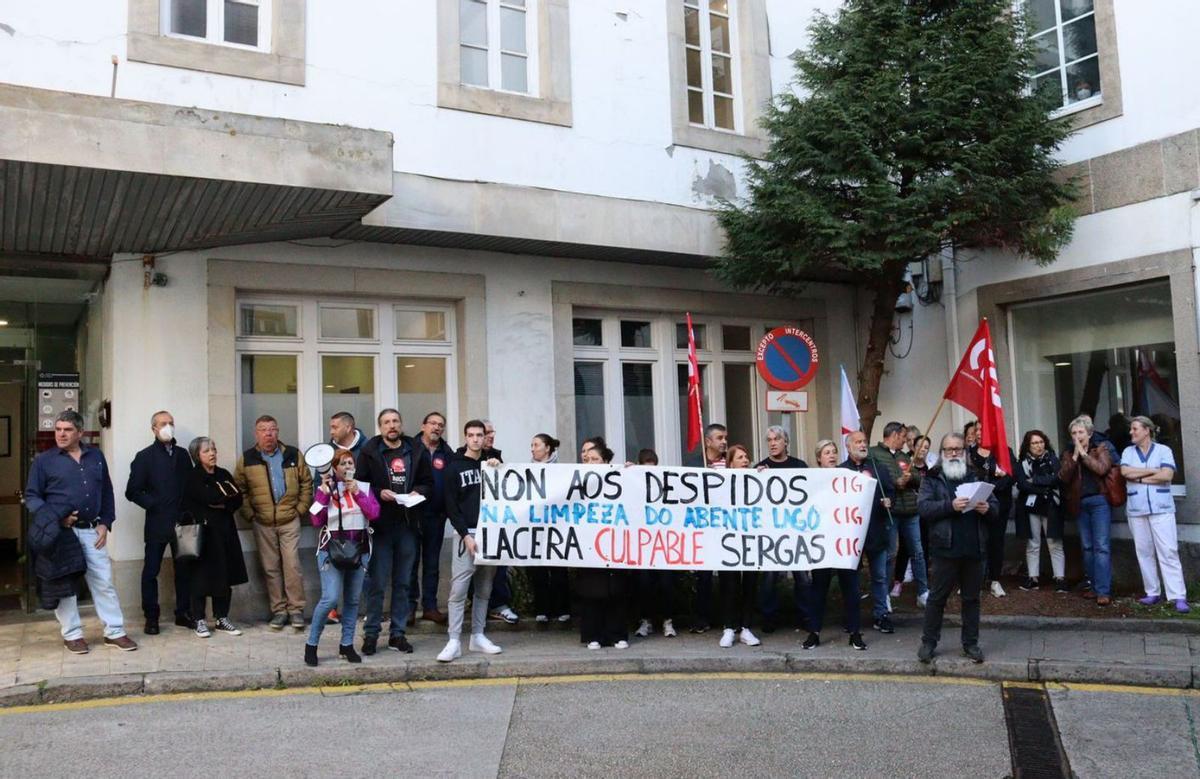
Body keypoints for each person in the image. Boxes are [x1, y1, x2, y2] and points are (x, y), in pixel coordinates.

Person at [24, 411, 138, 653]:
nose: (61, 434)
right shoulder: (44, 461)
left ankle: (115, 631)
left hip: (91, 530)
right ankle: (72, 635)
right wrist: (55, 518)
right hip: (61, 534)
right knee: (64, 585)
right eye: (58, 429)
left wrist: (105, 523)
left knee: (103, 582)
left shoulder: (95, 456)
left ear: (80, 433)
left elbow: (106, 491)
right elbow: (32, 497)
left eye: (67, 430)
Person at [356, 408, 433, 655]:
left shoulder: (415, 449)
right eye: (387, 422)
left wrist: (419, 491)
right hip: (380, 526)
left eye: (395, 421)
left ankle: (397, 634)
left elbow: (428, 482)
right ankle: (371, 634)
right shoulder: (369, 451)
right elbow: (359, 485)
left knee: (403, 582)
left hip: (408, 525)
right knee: (377, 583)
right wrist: (379, 492)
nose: (392, 425)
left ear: (401, 424)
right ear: (380, 427)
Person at [917, 433, 999, 664]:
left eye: (958, 449)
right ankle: (928, 643)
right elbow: (923, 508)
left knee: (972, 600)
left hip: (974, 548)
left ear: (964, 452)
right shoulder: (932, 477)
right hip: (945, 548)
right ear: (942, 452)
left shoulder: (976, 475)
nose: (953, 453)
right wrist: (949, 506)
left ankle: (970, 644)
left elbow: (995, 508)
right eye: (949, 449)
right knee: (937, 598)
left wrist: (987, 509)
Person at [234, 415, 314, 630]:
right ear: (256, 433)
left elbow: (306, 483)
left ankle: (296, 610)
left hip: (289, 519)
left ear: (278, 432)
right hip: (263, 521)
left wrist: (300, 509)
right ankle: (279, 611)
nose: (268, 433)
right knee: (270, 568)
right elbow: (239, 489)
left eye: (272, 429)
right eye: (263, 430)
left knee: (292, 565)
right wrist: (250, 514)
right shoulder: (248, 458)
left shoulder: (292, 454)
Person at [304, 449, 380, 666]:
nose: (347, 467)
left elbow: (374, 513)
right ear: (335, 469)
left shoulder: (363, 487)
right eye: (343, 464)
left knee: (353, 600)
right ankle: (311, 644)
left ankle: (347, 644)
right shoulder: (327, 489)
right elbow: (315, 519)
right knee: (330, 598)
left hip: (359, 550)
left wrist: (358, 494)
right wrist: (323, 493)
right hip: (331, 550)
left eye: (350, 463)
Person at [437, 420, 504, 662]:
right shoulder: (454, 467)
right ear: (465, 437)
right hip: (467, 534)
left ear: (486, 437)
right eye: (471, 435)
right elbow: (451, 506)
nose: (475, 439)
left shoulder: (493, 463)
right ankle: (454, 640)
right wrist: (465, 534)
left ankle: (478, 635)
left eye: (479, 435)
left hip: (491, 533)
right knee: (459, 589)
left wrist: (498, 467)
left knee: (484, 588)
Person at [126, 410, 195, 634]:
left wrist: (189, 512)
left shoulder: (183, 455)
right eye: (163, 423)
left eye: (171, 423)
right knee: (151, 571)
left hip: (183, 522)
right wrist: (154, 504)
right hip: (157, 523)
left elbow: (190, 485)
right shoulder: (144, 457)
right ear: (154, 429)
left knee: (184, 570)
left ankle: (183, 612)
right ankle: (151, 617)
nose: (168, 427)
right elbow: (132, 491)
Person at [1120, 416, 1189, 613]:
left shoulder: (1163, 450)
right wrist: (1152, 471)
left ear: (1146, 430)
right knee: (1144, 551)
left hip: (1162, 508)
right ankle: (1152, 592)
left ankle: (1178, 596)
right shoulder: (1128, 452)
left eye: (1135, 429)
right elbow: (1125, 472)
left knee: (1168, 551)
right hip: (1137, 509)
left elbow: (1167, 475)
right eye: (1131, 429)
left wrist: (1140, 478)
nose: (1131, 432)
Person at [803, 439, 866, 651]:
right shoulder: (811, 480)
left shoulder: (847, 477)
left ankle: (855, 633)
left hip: (844, 542)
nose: (831, 455)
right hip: (821, 544)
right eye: (826, 452)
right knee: (818, 590)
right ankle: (814, 632)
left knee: (851, 589)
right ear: (818, 458)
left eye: (833, 452)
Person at [183, 437, 247, 638]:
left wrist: (222, 502)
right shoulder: (192, 477)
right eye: (206, 451)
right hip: (203, 534)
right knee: (200, 577)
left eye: (214, 449)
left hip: (225, 532)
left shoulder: (223, 474)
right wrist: (222, 499)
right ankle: (199, 619)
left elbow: (237, 499)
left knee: (224, 576)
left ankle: (222, 618)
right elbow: (209, 497)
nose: (212, 453)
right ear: (197, 455)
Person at [574, 443, 631, 649]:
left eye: (595, 459)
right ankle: (593, 635)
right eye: (587, 460)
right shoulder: (576, 481)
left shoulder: (620, 479)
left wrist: (634, 473)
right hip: (589, 544)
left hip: (614, 542)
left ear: (606, 461)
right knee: (591, 588)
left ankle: (617, 634)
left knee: (616, 588)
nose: (590, 463)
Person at [1058, 414, 1118, 606]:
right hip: (1080, 503)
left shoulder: (1101, 447)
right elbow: (1064, 477)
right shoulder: (1068, 453)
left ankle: (1103, 590)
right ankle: (1093, 586)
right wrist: (1075, 456)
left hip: (1099, 501)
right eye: (1074, 433)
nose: (1077, 436)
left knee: (1101, 546)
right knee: (1087, 547)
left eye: (1081, 432)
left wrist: (1084, 455)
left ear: (1089, 433)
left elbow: (1102, 469)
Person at [755, 425, 810, 633]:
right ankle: (768, 617)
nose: (772, 443)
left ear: (786, 442)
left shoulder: (799, 466)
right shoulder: (760, 468)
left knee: (802, 576)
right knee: (770, 577)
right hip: (772, 532)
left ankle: (806, 616)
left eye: (776, 439)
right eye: (769, 440)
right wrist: (758, 476)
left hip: (796, 531)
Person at [841, 431, 896, 634]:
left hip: (875, 529)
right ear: (848, 447)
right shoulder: (841, 471)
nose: (863, 445)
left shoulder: (878, 469)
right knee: (851, 578)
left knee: (879, 576)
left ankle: (881, 615)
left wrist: (889, 501)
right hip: (850, 534)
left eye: (864, 441)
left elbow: (890, 492)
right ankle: (851, 617)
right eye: (858, 442)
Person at [871, 421, 929, 609]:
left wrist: (911, 477)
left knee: (918, 552)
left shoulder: (904, 456)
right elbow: (874, 479)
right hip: (890, 512)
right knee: (889, 554)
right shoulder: (874, 454)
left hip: (911, 512)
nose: (905, 441)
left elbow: (918, 478)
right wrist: (895, 483)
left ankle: (923, 592)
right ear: (895, 435)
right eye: (903, 437)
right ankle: (884, 595)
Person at [718, 445, 762, 648]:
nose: (745, 460)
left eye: (746, 457)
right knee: (730, 584)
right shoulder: (720, 483)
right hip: (728, 540)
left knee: (750, 584)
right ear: (730, 463)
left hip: (751, 539)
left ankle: (745, 628)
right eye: (740, 457)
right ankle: (729, 628)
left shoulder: (757, 480)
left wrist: (765, 476)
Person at [475, 420, 518, 624]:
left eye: (493, 432)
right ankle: (478, 606)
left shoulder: (497, 457)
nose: (491, 435)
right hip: (473, 521)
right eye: (487, 432)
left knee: (498, 564)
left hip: (495, 520)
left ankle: (499, 605)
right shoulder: (461, 457)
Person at [1014, 430, 1066, 593]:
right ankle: (1033, 578)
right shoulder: (1022, 463)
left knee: (1054, 542)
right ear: (1028, 446)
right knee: (1033, 543)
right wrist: (1043, 489)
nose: (1039, 446)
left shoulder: (1052, 459)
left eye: (1041, 442)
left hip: (1051, 505)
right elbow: (1022, 484)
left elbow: (1057, 478)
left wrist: (1035, 480)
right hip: (1031, 506)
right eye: (1034, 443)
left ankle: (1060, 578)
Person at [633, 448, 677, 639]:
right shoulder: (634, 486)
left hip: (663, 545)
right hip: (643, 546)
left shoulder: (665, 486)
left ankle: (668, 621)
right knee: (644, 583)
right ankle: (646, 621)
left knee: (667, 583)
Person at [528, 433, 572, 625]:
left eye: (536, 445)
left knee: (558, 569)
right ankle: (542, 609)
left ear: (547, 448)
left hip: (557, 526)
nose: (532, 449)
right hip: (535, 526)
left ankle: (562, 608)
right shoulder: (526, 471)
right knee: (538, 570)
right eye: (531, 445)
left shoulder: (561, 471)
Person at [689, 423, 728, 634]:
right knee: (702, 576)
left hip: (726, 527)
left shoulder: (730, 463)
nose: (724, 442)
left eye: (725, 438)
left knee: (727, 575)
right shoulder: (695, 465)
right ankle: (701, 618)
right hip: (703, 528)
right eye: (719, 438)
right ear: (707, 441)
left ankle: (728, 619)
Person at [969, 440, 1017, 598]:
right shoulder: (971, 453)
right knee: (976, 541)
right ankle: (974, 580)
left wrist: (990, 488)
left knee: (996, 541)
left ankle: (995, 580)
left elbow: (1011, 475)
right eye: (977, 430)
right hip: (976, 504)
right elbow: (970, 476)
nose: (980, 433)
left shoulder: (1005, 451)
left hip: (999, 505)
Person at [893, 435, 932, 588]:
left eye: (926, 447)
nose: (923, 450)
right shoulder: (906, 465)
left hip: (924, 512)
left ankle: (923, 582)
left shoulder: (930, 469)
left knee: (923, 546)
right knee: (904, 546)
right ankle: (898, 580)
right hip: (908, 512)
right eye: (920, 446)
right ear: (914, 447)